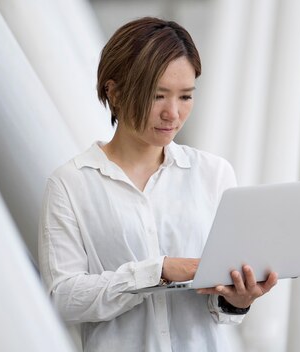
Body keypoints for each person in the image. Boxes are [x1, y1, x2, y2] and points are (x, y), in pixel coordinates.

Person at [38, 17, 278, 352]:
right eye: (158, 95)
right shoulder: (70, 184)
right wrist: (160, 270)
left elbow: (220, 305)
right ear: (115, 92)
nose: (173, 113)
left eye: (185, 97)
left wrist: (237, 299)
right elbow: (62, 299)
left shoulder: (214, 174)